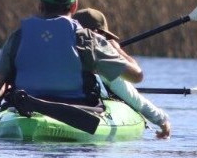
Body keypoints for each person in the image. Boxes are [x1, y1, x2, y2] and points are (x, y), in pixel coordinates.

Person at [0, 0, 144, 107]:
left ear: (40, 5)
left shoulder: (19, 37)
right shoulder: (89, 40)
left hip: (27, 108)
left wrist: (8, 85)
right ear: (74, 6)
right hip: (79, 110)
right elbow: (136, 76)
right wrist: (115, 48)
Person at [73, 7, 172, 140]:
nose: (106, 42)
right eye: (105, 38)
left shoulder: (60, 53)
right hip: (85, 112)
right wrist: (163, 121)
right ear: (96, 34)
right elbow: (136, 100)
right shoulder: (103, 66)